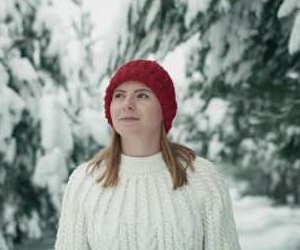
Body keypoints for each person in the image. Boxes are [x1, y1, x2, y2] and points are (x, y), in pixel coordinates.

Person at [54, 59, 241, 250]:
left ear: (164, 109)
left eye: (142, 95)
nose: (127, 104)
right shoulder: (84, 182)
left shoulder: (203, 178)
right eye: (119, 95)